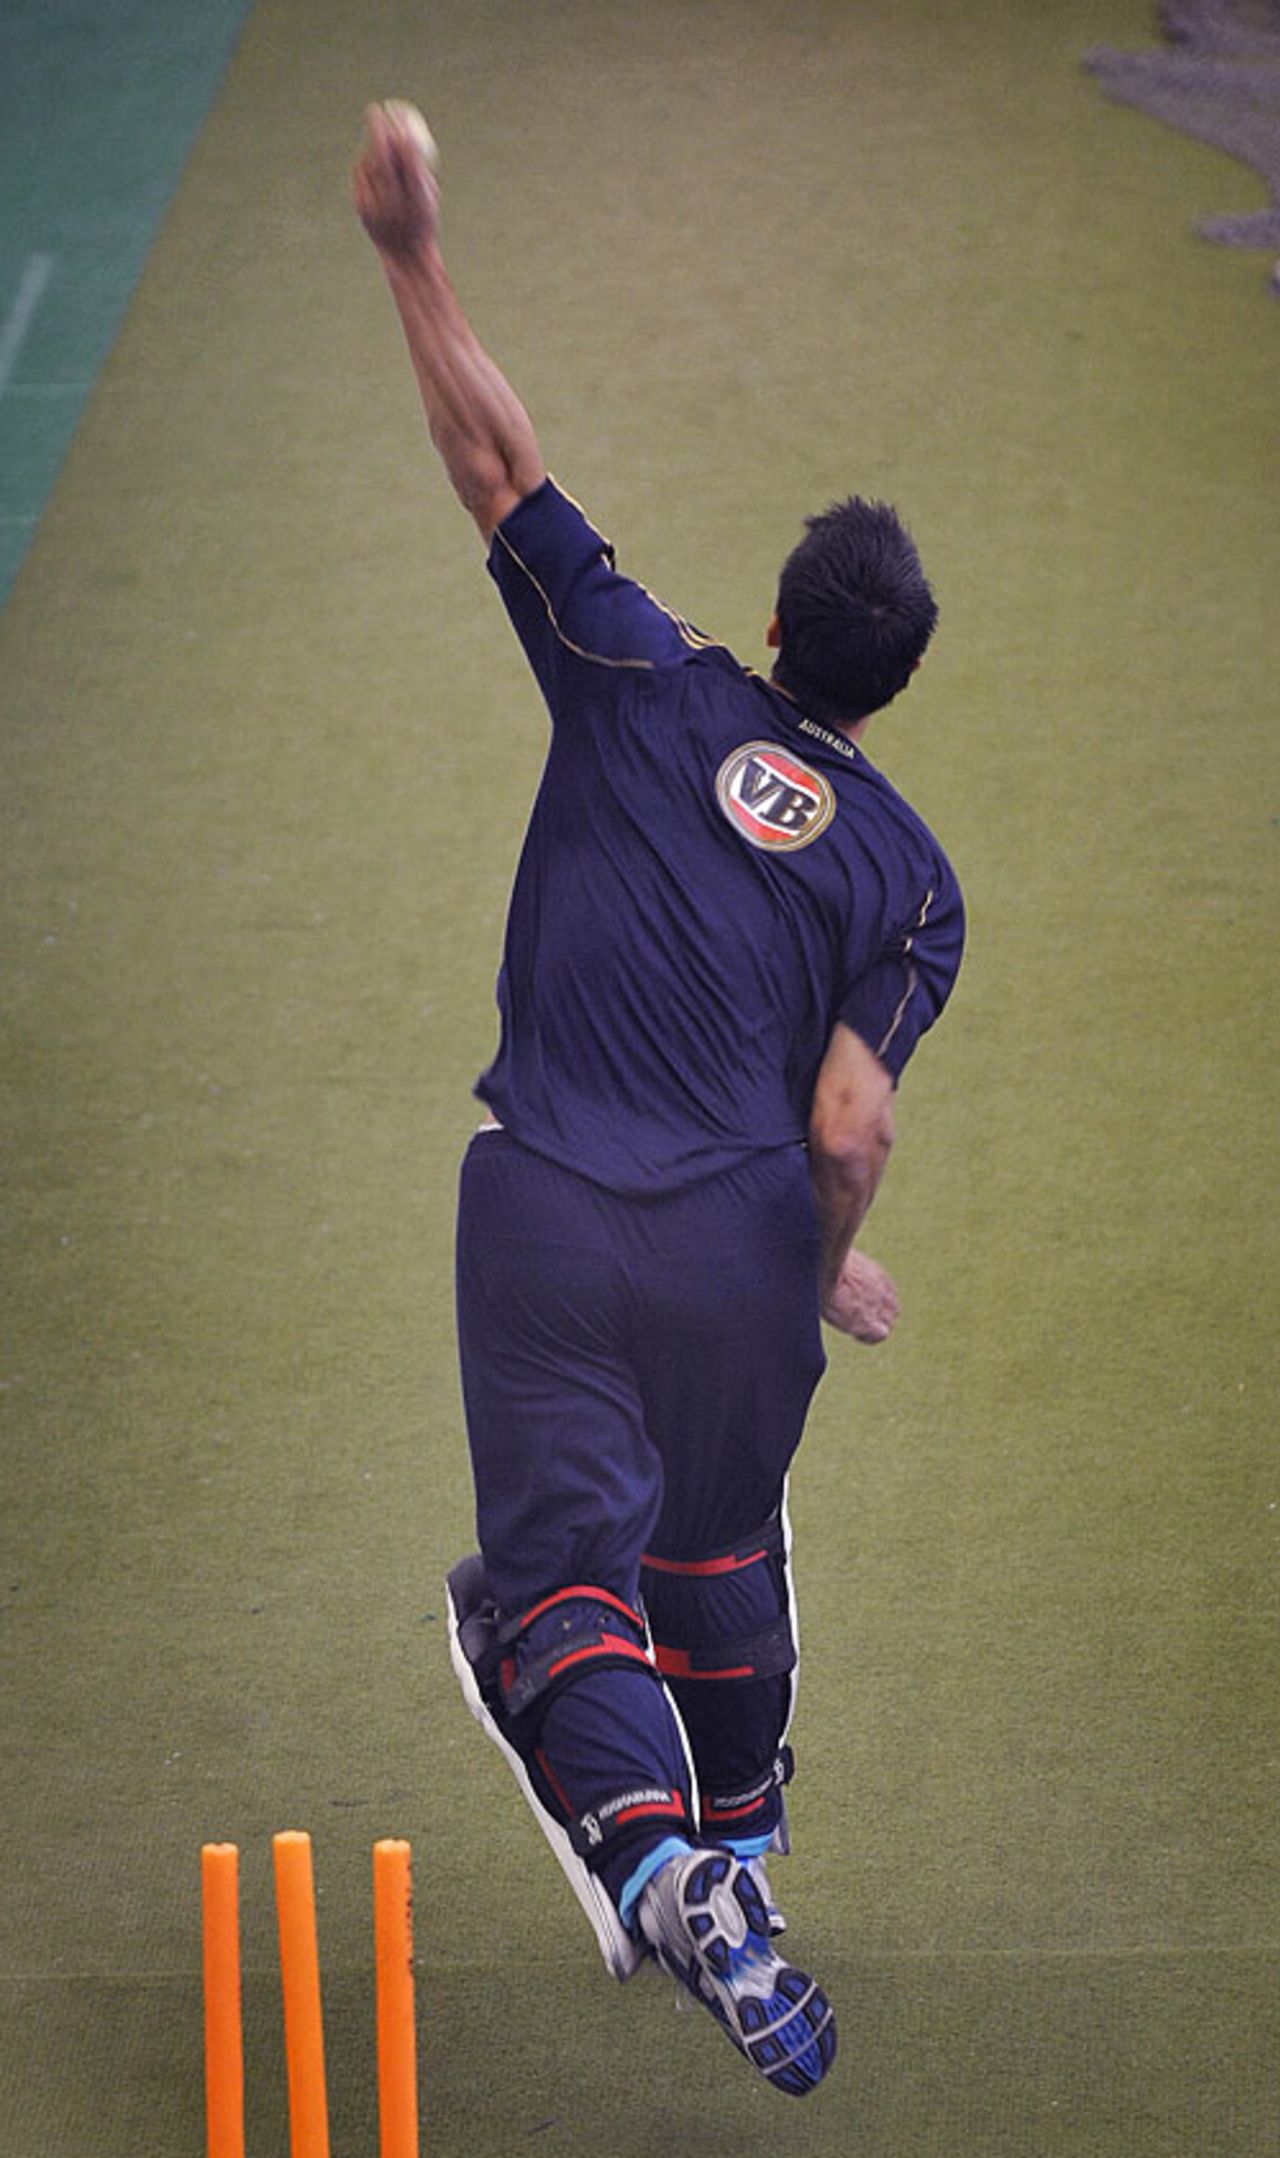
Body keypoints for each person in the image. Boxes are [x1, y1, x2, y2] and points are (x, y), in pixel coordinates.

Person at [354, 101, 964, 2100]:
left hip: (539, 1206)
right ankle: (743, 1855)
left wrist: (413, 247)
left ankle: (668, 1866)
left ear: (782, 625)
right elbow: (850, 1125)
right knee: (711, 1546)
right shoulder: (910, 880)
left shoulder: (640, 662)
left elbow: (495, 457)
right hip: (723, 1248)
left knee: (559, 1585)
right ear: (886, 688)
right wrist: (820, 1265)